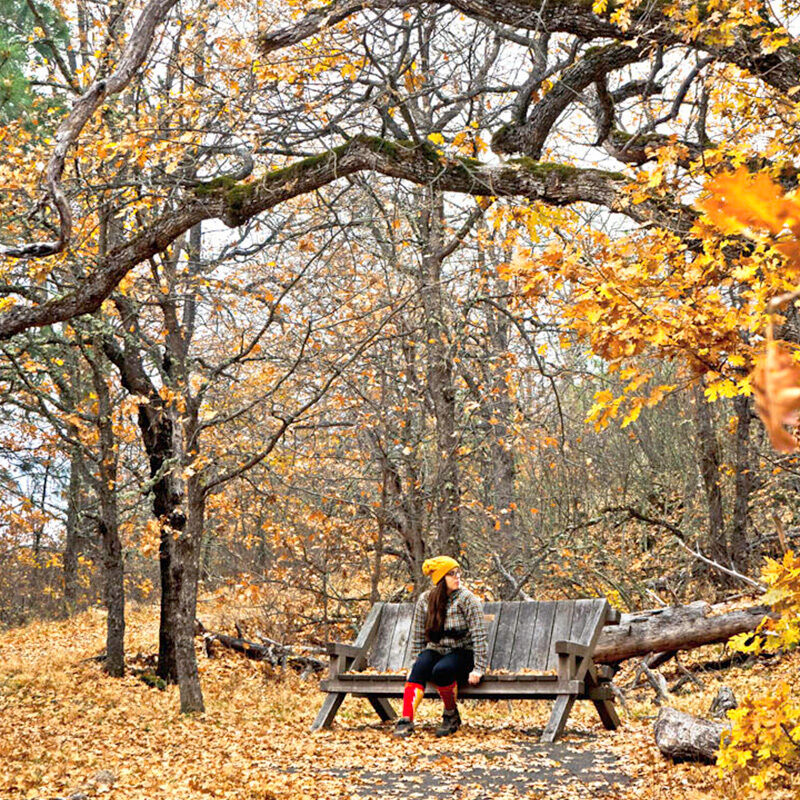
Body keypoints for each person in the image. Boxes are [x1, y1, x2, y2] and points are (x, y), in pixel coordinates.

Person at [393, 555, 487, 738]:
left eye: (458, 572)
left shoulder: (468, 599)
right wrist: (415, 662)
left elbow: (479, 635)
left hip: (462, 651)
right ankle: (406, 720)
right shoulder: (426, 600)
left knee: (441, 670)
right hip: (437, 649)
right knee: (418, 669)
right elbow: (419, 635)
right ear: (441, 580)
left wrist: (479, 668)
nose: (457, 577)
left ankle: (450, 715)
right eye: (451, 574)